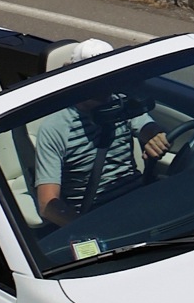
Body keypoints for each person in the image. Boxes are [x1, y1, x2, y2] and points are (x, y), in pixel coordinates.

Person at [34, 88, 169, 227]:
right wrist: (87, 230)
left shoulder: (123, 105)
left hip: (139, 201)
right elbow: (48, 205)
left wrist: (155, 136)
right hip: (97, 217)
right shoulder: (54, 128)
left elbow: (148, 129)